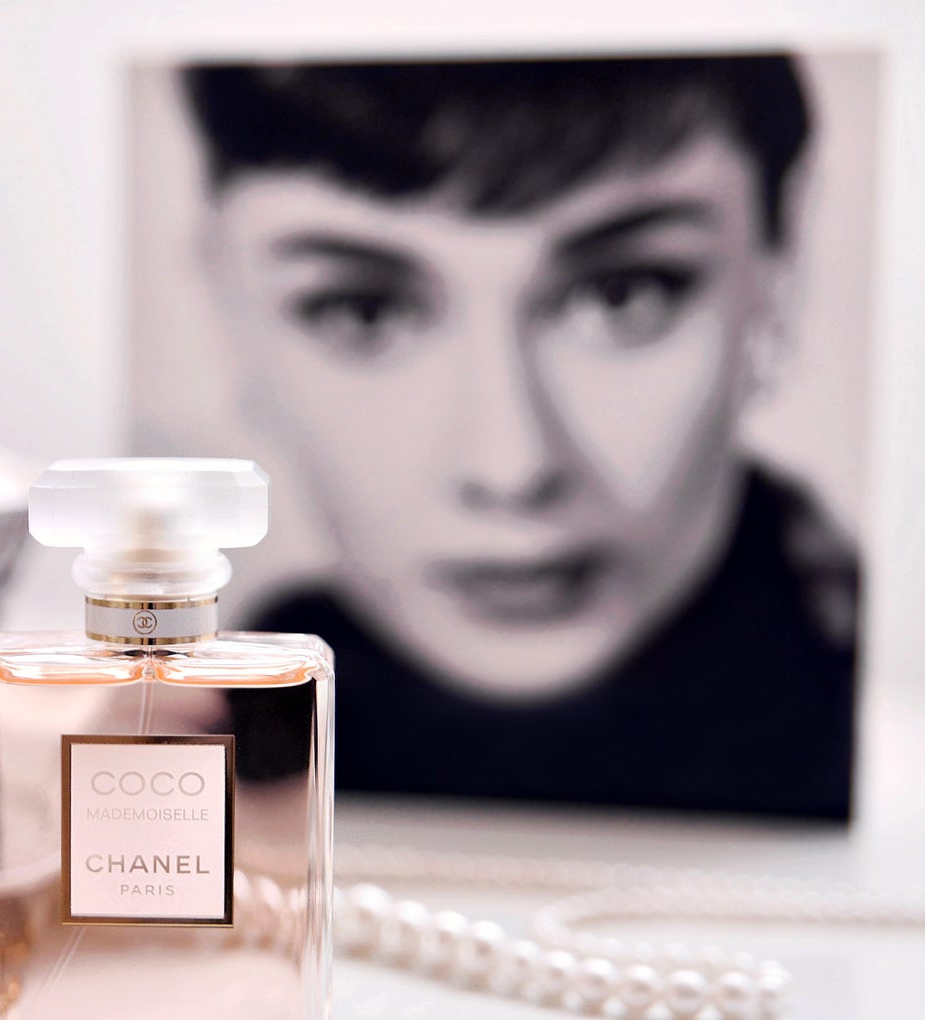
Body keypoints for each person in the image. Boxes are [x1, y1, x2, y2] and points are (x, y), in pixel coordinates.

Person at [184, 54, 858, 820]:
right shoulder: (214, 735)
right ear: (227, 310)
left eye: (623, 295)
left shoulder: (879, 713)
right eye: (364, 310)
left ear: (780, 277)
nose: (511, 468)